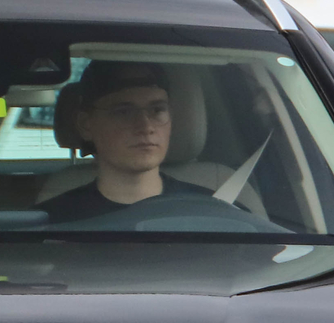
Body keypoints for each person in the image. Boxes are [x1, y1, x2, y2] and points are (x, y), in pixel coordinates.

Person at [40, 62, 217, 223]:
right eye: (123, 112)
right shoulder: (51, 224)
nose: (145, 126)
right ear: (86, 125)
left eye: (157, 110)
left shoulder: (215, 214)